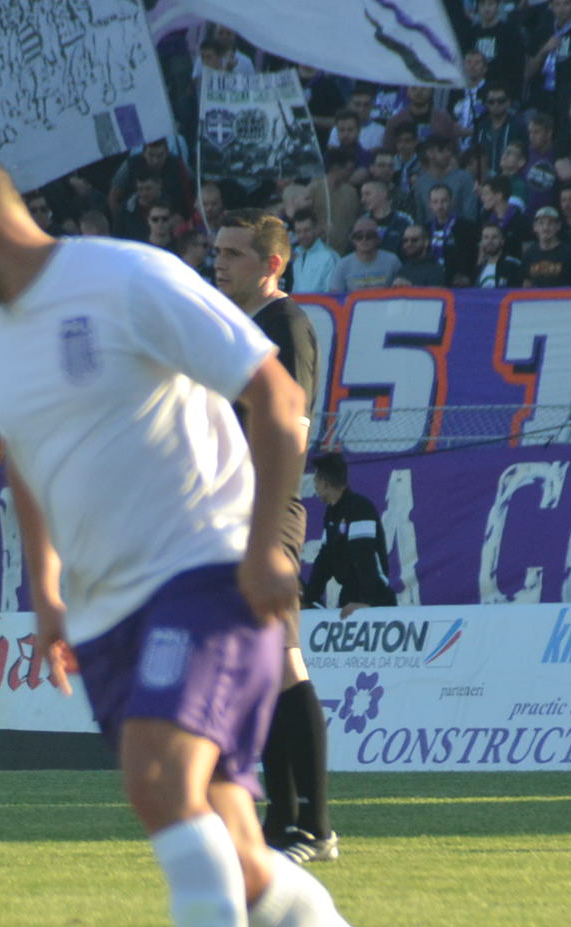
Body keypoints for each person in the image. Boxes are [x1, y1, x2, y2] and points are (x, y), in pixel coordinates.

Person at [0, 147, 437, 927]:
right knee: (238, 857)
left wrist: (267, 548)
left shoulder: (125, 278)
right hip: (108, 611)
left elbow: (276, 395)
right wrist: (45, 586)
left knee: (158, 780)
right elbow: (24, 453)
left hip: (205, 572)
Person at [212, 212, 338, 866]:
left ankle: (314, 827)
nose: (219, 262)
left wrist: (266, 525)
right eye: (217, 250)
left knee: (284, 660)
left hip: (265, 511)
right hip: (234, 511)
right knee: (260, 665)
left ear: (273, 264)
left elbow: (292, 427)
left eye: (235, 253)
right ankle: (281, 820)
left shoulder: (284, 325)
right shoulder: (239, 329)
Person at [304, 454, 395, 614]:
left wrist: (367, 602)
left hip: (376, 596)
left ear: (324, 482)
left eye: (316, 481)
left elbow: (364, 557)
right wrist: (309, 598)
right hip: (350, 593)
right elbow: (325, 560)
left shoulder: (360, 508)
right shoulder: (332, 513)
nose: (315, 488)